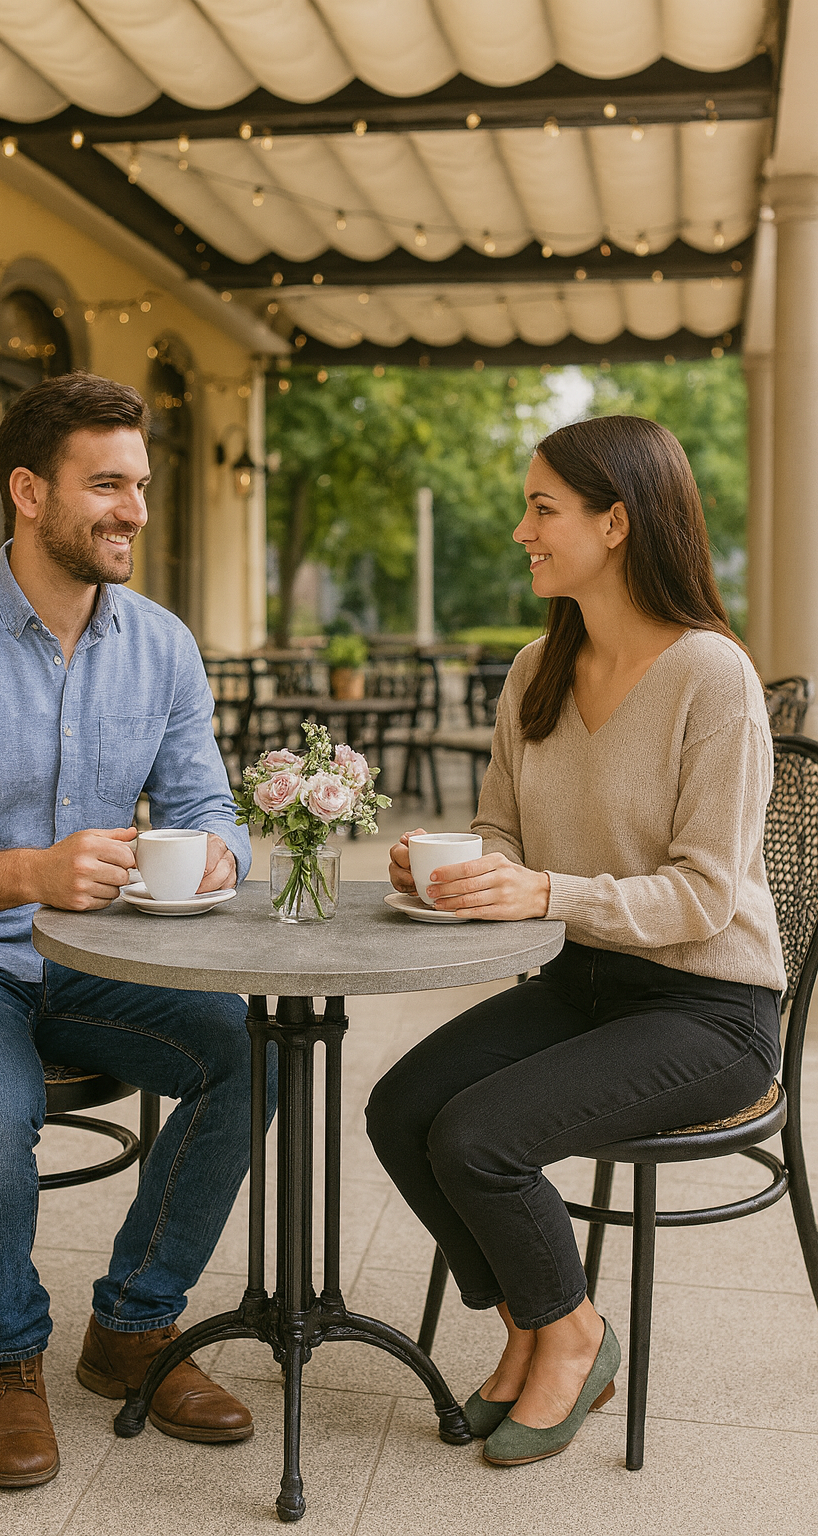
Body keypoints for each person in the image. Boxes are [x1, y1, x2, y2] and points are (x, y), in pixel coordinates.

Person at [0, 372, 268, 1488]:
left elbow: (209, 807)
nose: (134, 509)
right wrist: (32, 872)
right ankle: (4, 1359)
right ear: (29, 492)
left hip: (98, 959)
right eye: (107, 485)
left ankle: (132, 1328)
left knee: (249, 1051)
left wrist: (217, 853)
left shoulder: (162, 645)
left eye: (141, 485)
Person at [367, 415, 785, 1467]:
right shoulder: (535, 669)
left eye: (541, 509)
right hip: (583, 983)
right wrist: (452, 865)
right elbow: (503, 832)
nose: (522, 531)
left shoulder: (713, 678)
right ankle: (537, 1322)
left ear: (616, 522)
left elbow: (703, 897)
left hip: (709, 1009)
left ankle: (575, 1335)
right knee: (400, 1109)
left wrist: (544, 890)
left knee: (478, 1139)